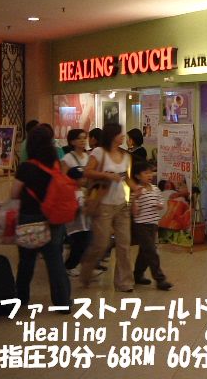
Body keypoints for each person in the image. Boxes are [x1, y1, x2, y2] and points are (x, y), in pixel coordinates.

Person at [10, 124, 71, 310]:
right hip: (53, 219)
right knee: (55, 261)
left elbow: (14, 194)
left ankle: (21, 298)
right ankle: (62, 302)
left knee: (26, 261)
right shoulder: (56, 166)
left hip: (29, 218)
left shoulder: (26, 167)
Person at [80, 123, 137, 292]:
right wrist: (106, 175)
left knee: (124, 244)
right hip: (103, 204)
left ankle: (124, 282)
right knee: (101, 243)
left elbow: (127, 178)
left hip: (121, 204)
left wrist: (137, 189)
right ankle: (86, 270)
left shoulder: (125, 156)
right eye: (120, 134)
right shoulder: (99, 152)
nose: (123, 137)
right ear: (112, 135)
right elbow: (87, 172)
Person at [60, 129, 98, 277]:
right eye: (79, 138)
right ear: (72, 141)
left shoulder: (89, 157)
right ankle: (71, 265)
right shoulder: (67, 159)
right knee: (79, 236)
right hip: (74, 198)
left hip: (87, 196)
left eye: (84, 138)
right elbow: (63, 180)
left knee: (89, 234)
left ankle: (86, 266)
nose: (83, 141)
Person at [131, 161, 173, 290]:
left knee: (145, 251)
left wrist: (160, 205)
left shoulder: (155, 189)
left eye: (151, 173)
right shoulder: (138, 190)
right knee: (151, 251)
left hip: (153, 224)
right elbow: (133, 210)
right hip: (141, 225)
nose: (149, 175)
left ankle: (137, 275)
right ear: (137, 176)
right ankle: (160, 279)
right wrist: (135, 200)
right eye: (146, 173)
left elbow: (161, 201)